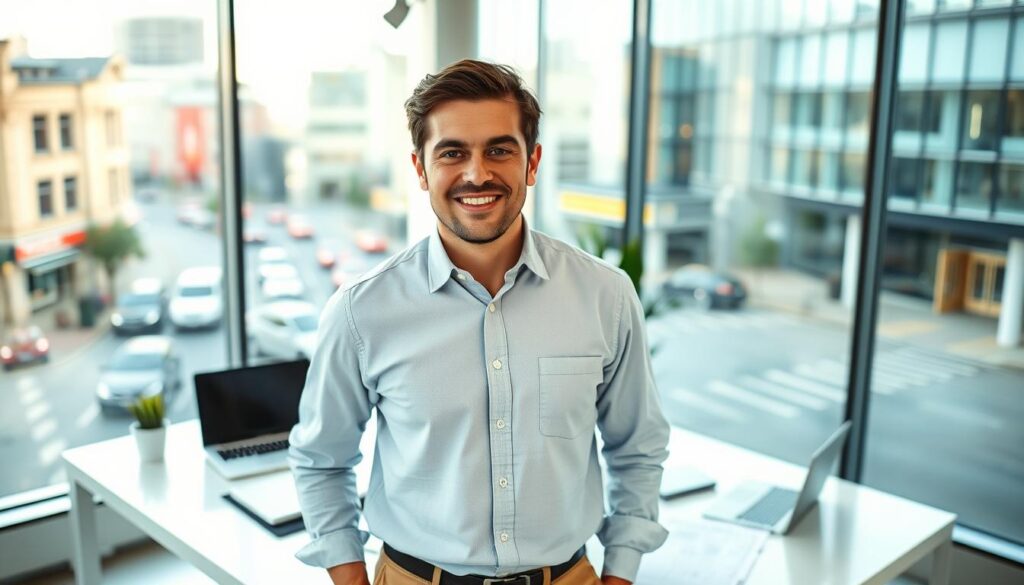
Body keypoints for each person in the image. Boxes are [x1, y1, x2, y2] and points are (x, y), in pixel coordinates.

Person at [289, 59, 670, 585]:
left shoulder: (606, 295)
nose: (476, 173)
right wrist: (350, 578)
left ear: (531, 163)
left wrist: (620, 573)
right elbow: (320, 459)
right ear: (421, 170)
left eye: (499, 150)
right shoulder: (361, 311)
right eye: (452, 153)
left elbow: (638, 447)